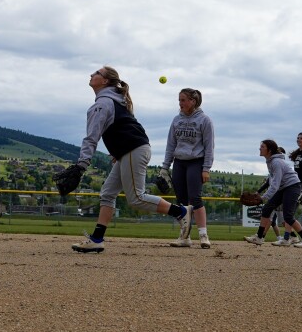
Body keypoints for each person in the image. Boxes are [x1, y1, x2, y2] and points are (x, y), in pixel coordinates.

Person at [70, 67, 192, 252]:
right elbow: (120, 128)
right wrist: (116, 153)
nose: (91, 74)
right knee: (108, 193)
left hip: (133, 150)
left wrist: (82, 164)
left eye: (97, 73)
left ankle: (181, 212)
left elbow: (91, 138)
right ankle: (97, 239)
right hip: (130, 150)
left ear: (104, 81)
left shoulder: (103, 103)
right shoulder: (114, 101)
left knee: (136, 198)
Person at [243, 140, 302, 248]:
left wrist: (263, 197)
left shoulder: (276, 162)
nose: (260, 148)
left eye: (262, 147)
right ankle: (259, 237)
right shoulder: (271, 161)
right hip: (284, 188)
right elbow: (272, 182)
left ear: (269, 150)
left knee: (288, 216)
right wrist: (262, 195)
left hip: (292, 187)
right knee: (266, 209)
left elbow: (274, 185)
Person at [162, 87, 215, 249]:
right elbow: (171, 144)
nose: (180, 103)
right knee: (182, 201)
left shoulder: (204, 120)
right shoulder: (176, 120)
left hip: (196, 162)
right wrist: (165, 167)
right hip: (179, 162)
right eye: (179, 100)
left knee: (195, 198)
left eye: (183, 100)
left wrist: (206, 168)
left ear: (193, 101)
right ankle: (185, 236)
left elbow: (209, 146)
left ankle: (203, 235)